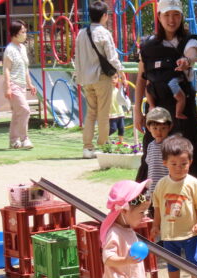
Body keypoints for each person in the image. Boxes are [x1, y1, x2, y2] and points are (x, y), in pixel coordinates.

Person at [134, 0, 197, 196]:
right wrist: (137, 110)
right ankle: (146, 204)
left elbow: (192, 54)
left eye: (176, 15)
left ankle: (194, 201)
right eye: (167, 15)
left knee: (188, 152)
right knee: (152, 154)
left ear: (182, 17)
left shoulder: (189, 41)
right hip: (157, 109)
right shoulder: (149, 46)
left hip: (182, 109)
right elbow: (142, 79)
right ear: (159, 17)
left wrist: (186, 61)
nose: (171, 20)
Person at [151, 135, 197, 278]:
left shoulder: (193, 182)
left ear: (190, 161)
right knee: (172, 261)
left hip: (190, 232)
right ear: (165, 163)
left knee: (193, 260)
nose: (179, 168)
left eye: (184, 164)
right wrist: (156, 225)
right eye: (174, 164)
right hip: (169, 233)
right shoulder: (162, 184)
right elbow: (157, 206)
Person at [98, 179, 152, 278]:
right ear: (124, 211)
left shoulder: (127, 229)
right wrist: (127, 260)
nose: (145, 217)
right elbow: (108, 258)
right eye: (141, 213)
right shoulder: (114, 233)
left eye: (146, 212)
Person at [75, 0, 126, 159]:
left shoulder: (81, 33)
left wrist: (79, 77)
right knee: (104, 114)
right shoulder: (104, 33)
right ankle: (103, 145)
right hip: (101, 78)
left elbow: (77, 58)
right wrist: (121, 71)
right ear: (104, 16)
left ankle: (87, 147)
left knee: (91, 113)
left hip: (86, 79)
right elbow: (112, 57)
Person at [3, 20, 37, 149]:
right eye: (22, 32)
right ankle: (25, 139)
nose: (25, 34)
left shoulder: (22, 48)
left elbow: (25, 67)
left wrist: (30, 84)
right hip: (13, 84)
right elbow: (6, 69)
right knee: (24, 110)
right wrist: (7, 87)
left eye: (25, 31)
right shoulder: (9, 50)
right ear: (15, 33)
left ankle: (13, 140)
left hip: (22, 85)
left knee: (18, 113)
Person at [144, 107, 172, 199]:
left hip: (168, 186)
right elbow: (149, 164)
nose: (159, 131)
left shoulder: (171, 145)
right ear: (149, 128)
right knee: (154, 210)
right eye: (155, 128)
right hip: (153, 186)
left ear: (169, 127)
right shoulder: (150, 146)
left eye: (163, 128)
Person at [109, 77, 127, 144]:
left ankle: (120, 142)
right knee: (113, 128)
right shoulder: (107, 91)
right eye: (111, 78)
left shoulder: (118, 90)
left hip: (120, 113)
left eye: (115, 78)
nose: (113, 79)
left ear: (117, 80)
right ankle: (103, 137)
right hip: (112, 113)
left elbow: (123, 99)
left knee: (121, 128)